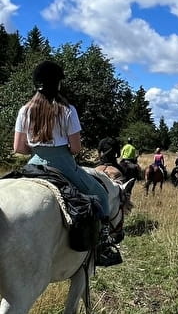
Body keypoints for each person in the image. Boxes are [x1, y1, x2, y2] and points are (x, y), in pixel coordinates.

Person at [13, 60, 122, 267]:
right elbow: (75, 148)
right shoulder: (67, 110)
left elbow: (19, 147)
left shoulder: (24, 110)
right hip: (63, 163)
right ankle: (103, 244)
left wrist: (37, 149)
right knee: (99, 194)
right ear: (58, 84)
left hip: (34, 163)